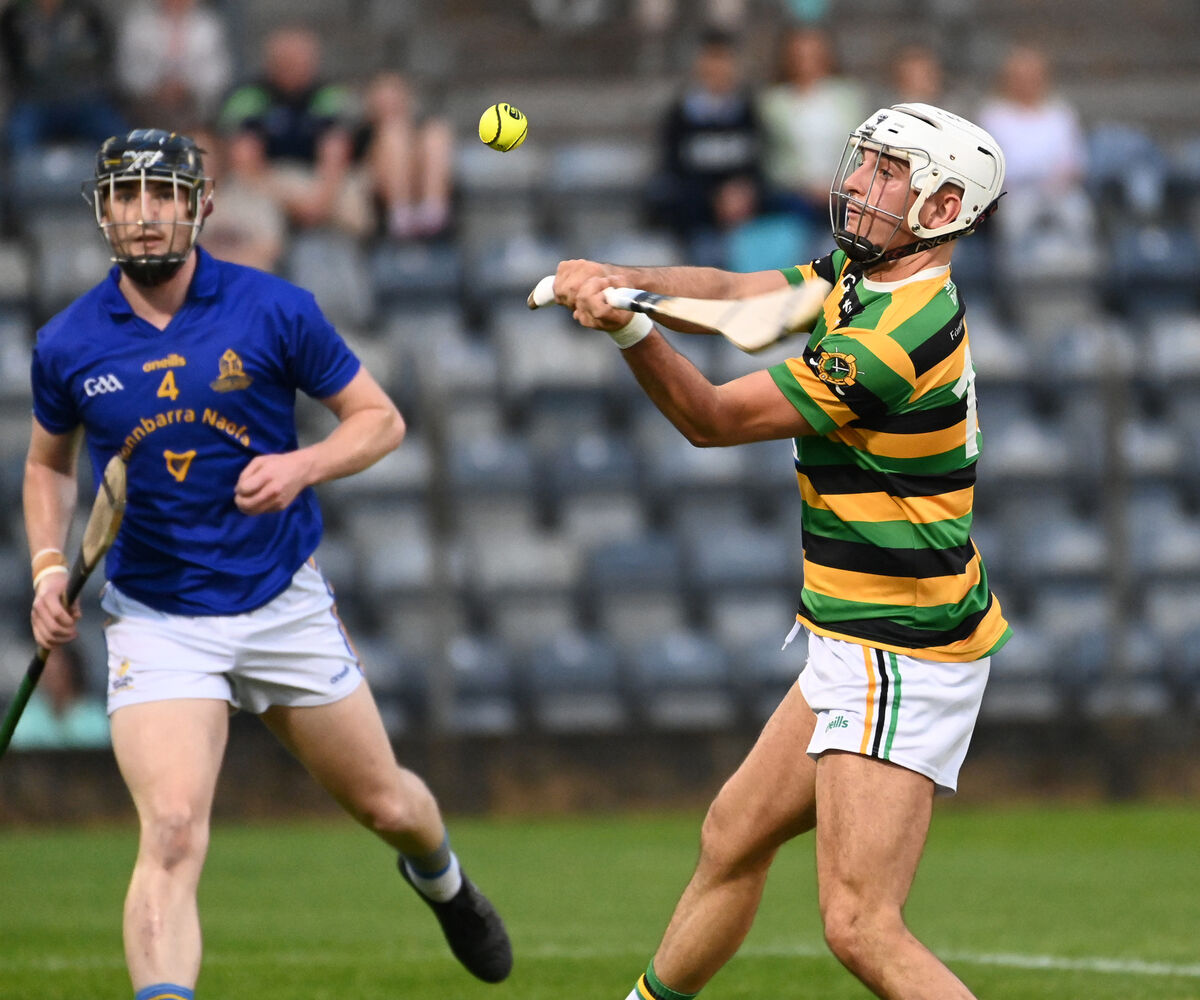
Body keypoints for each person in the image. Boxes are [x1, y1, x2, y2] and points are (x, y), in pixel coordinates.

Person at [24, 128, 512, 1000]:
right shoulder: (68, 343)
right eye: (127, 196)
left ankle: (442, 879)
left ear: (201, 205)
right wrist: (47, 567)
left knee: (389, 807)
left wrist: (302, 465)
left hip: (280, 603)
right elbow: (46, 466)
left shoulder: (274, 308)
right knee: (172, 831)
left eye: (164, 194)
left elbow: (381, 420)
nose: (145, 215)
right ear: (103, 212)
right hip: (159, 621)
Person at [542, 102, 1012, 1000]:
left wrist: (628, 328)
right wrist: (623, 280)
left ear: (945, 208)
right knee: (733, 836)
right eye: (864, 161)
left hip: (899, 649)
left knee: (861, 926)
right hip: (854, 634)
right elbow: (740, 298)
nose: (858, 183)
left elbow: (713, 420)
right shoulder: (861, 278)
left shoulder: (893, 340)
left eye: (888, 173)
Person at [217, 25, 372, 238]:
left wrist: (320, 201)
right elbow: (245, 163)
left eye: (302, 59)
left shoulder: (329, 94)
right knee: (251, 211)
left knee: (354, 206)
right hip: (271, 178)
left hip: (317, 177)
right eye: (287, 60)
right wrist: (289, 201)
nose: (295, 66)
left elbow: (335, 154)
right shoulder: (248, 96)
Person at [643, 28, 767, 262]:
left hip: (745, 223)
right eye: (711, 60)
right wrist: (713, 200)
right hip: (697, 226)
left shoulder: (749, 113)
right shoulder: (680, 116)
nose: (718, 69)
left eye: (724, 60)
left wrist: (745, 195)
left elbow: (759, 166)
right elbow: (672, 174)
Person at [757, 25, 868, 228]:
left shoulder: (850, 97)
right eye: (799, 55)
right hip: (792, 197)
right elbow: (772, 159)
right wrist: (806, 188)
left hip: (845, 194)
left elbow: (861, 149)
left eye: (814, 54)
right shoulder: (772, 102)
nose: (807, 61)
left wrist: (840, 185)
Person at [0, 0, 128, 154]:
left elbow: (105, 53)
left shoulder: (86, 11)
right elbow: (11, 61)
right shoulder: (15, 15)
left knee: (120, 140)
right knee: (18, 140)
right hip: (35, 100)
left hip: (85, 98)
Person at [354, 70, 455, 241]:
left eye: (394, 96)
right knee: (394, 136)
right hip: (381, 194)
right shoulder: (363, 133)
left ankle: (433, 212)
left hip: (420, 187)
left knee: (436, 133)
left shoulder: (421, 132)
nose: (389, 103)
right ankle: (401, 215)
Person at [115, 0, 234, 129]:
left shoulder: (209, 26)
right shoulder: (139, 24)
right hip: (147, 106)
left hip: (194, 107)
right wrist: (157, 89)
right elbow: (127, 71)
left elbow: (218, 74)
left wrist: (187, 88)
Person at [8, 644, 111, 750]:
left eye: (58, 671)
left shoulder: (95, 716)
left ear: (72, 671)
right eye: (47, 673)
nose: (53, 680)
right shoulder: (28, 715)